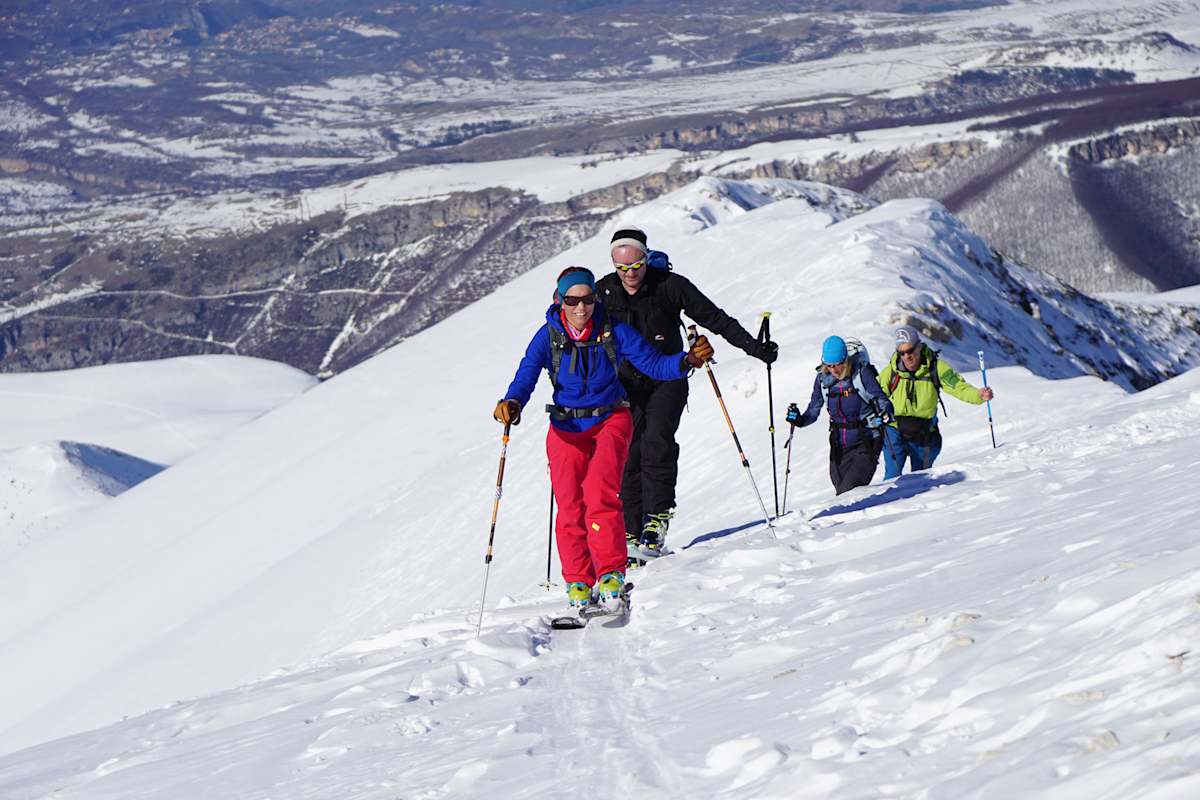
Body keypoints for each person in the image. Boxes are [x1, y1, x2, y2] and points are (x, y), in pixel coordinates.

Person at [495, 266, 714, 611]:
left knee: (600, 495)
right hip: (566, 429)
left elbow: (653, 364)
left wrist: (687, 361)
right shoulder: (548, 336)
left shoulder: (614, 331)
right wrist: (512, 402)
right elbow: (526, 374)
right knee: (570, 506)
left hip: (610, 420)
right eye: (572, 300)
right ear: (560, 301)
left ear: (596, 299)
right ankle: (579, 582)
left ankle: (611, 573)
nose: (581, 307)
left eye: (587, 299)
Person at [596, 226, 778, 557]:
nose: (629, 274)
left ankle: (656, 520)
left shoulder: (669, 286)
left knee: (656, 441)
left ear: (646, 258)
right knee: (628, 453)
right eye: (621, 267)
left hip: (670, 375)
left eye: (636, 265)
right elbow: (577, 331)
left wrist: (754, 348)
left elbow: (715, 319)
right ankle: (630, 531)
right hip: (625, 384)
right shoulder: (604, 293)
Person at [876, 325, 994, 479]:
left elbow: (958, 387)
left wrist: (979, 395)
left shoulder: (936, 368)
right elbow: (875, 396)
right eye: (901, 353)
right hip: (894, 430)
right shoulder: (891, 372)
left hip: (924, 432)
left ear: (919, 347)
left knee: (920, 478)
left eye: (910, 351)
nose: (907, 356)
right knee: (892, 478)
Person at [785, 335, 894, 495]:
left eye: (838, 364)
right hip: (839, 446)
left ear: (846, 360)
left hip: (866, 441)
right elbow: (813, 411)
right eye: (829, 366)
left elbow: (883, 401)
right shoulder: (822, 381)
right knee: (841, 491)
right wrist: (799, 420)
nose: (834, 370)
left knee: (848, 491)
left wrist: (885, 414)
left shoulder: (862, 375)